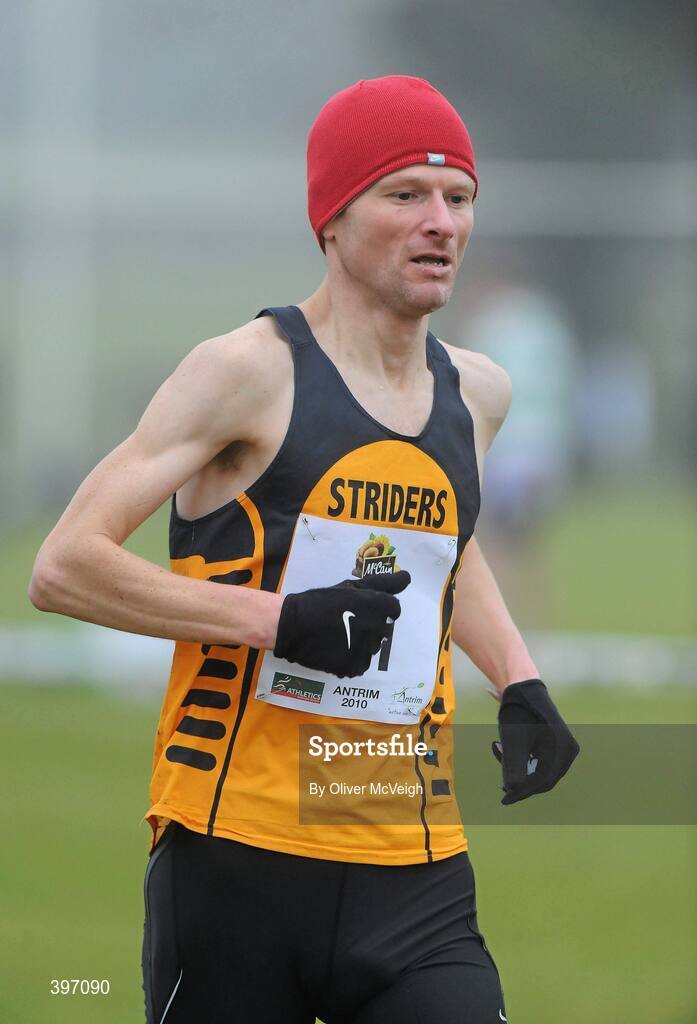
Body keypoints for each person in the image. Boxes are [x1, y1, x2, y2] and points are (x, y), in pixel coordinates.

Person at [30, 76, 579, 1024]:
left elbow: (447, 545)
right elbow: (65, 563)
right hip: (236, 855)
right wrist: (277, 620)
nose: (439, 223)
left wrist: (519, 678)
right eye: (403, 195)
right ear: (330, 219)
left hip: (412, 863)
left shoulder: (477, 393)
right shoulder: (244, 373)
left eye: (458, 199)